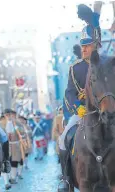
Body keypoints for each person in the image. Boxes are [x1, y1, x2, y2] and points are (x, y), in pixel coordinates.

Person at [58, 4, 102, 190]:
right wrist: (78, 107)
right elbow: (68, 93)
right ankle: (66, 179)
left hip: (105, 109)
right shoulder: (75, 68)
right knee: (64, 139)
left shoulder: (107, 64)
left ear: (96, 46)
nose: (83, 49)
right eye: (82, 46)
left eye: (87, 45)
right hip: (83, 112)